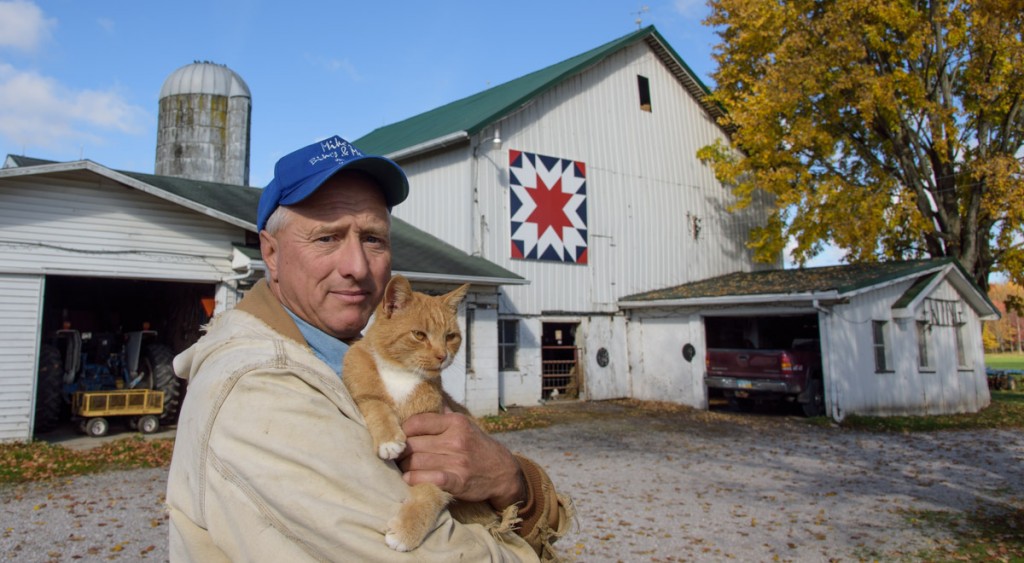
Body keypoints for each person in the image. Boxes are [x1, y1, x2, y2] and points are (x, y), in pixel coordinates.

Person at [166, 135, 572, 561]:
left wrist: (507, 479)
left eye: (374, 239)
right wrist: (520, 491)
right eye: (327, 238)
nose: (357, 267)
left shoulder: (341, 353)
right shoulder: (259, 387)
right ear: (271, 252)